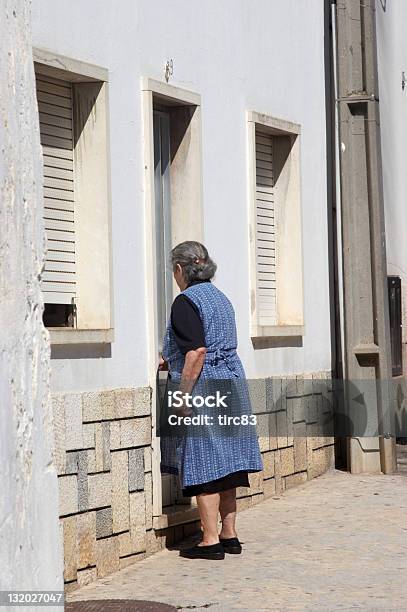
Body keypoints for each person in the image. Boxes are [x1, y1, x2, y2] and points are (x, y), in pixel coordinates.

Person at [160, 241, 263, 560]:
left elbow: (197, 352)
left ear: (180, 270)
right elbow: (212, 344)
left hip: (205, 385)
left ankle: (209, 541)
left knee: (203, 460)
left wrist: (181, 395)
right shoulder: (221, 299)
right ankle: (229, 534)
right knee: (229, 459)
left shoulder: (185, 301)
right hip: (231, 380)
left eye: (173, 271)